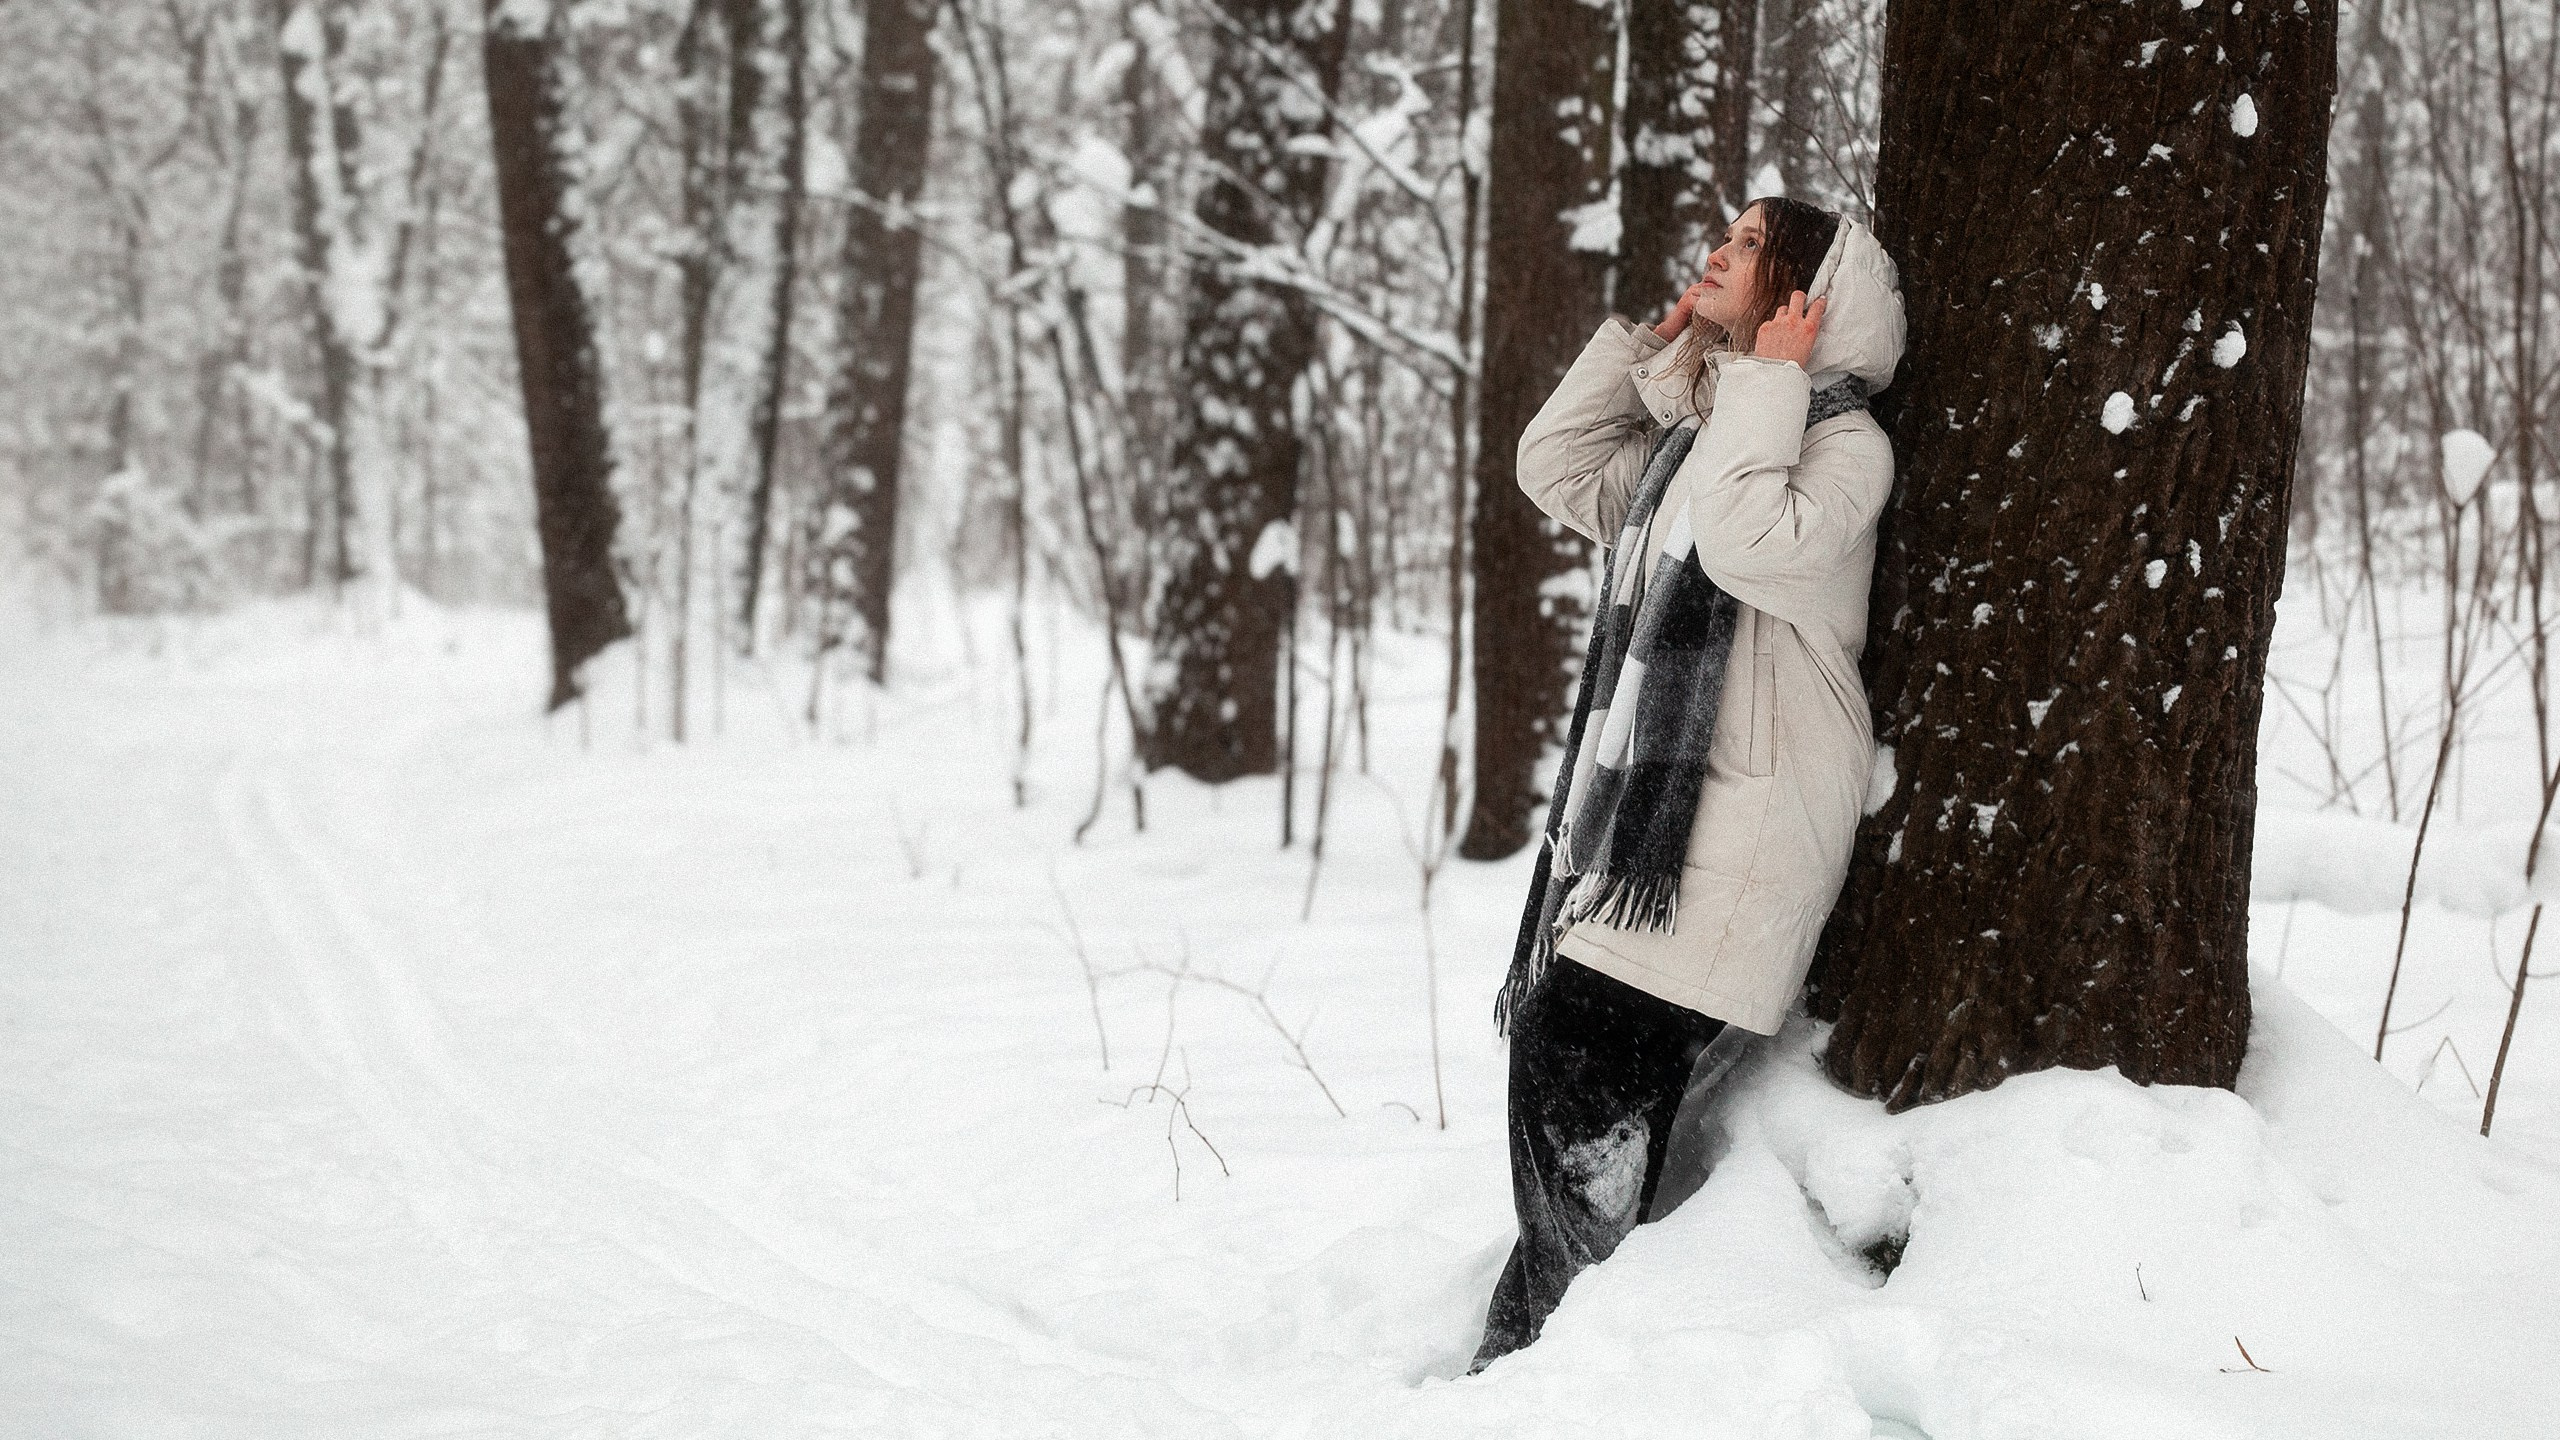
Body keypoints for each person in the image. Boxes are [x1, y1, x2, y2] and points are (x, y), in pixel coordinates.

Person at [1469, 198, 1907, 1372]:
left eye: (1751, 244)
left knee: (1577, 1053)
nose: (1717, 249)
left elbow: (1747, 544)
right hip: (1662, 844)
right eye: (1722, 231)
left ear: (1805, 298)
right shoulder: (1695, 445)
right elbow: (1550, 465)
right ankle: (1540, 1364)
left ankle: (1543, 1362)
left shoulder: (1842, 444)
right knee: (1579, 1077)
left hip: (1741, 836)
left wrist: (1763, 382)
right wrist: (1647, 353)